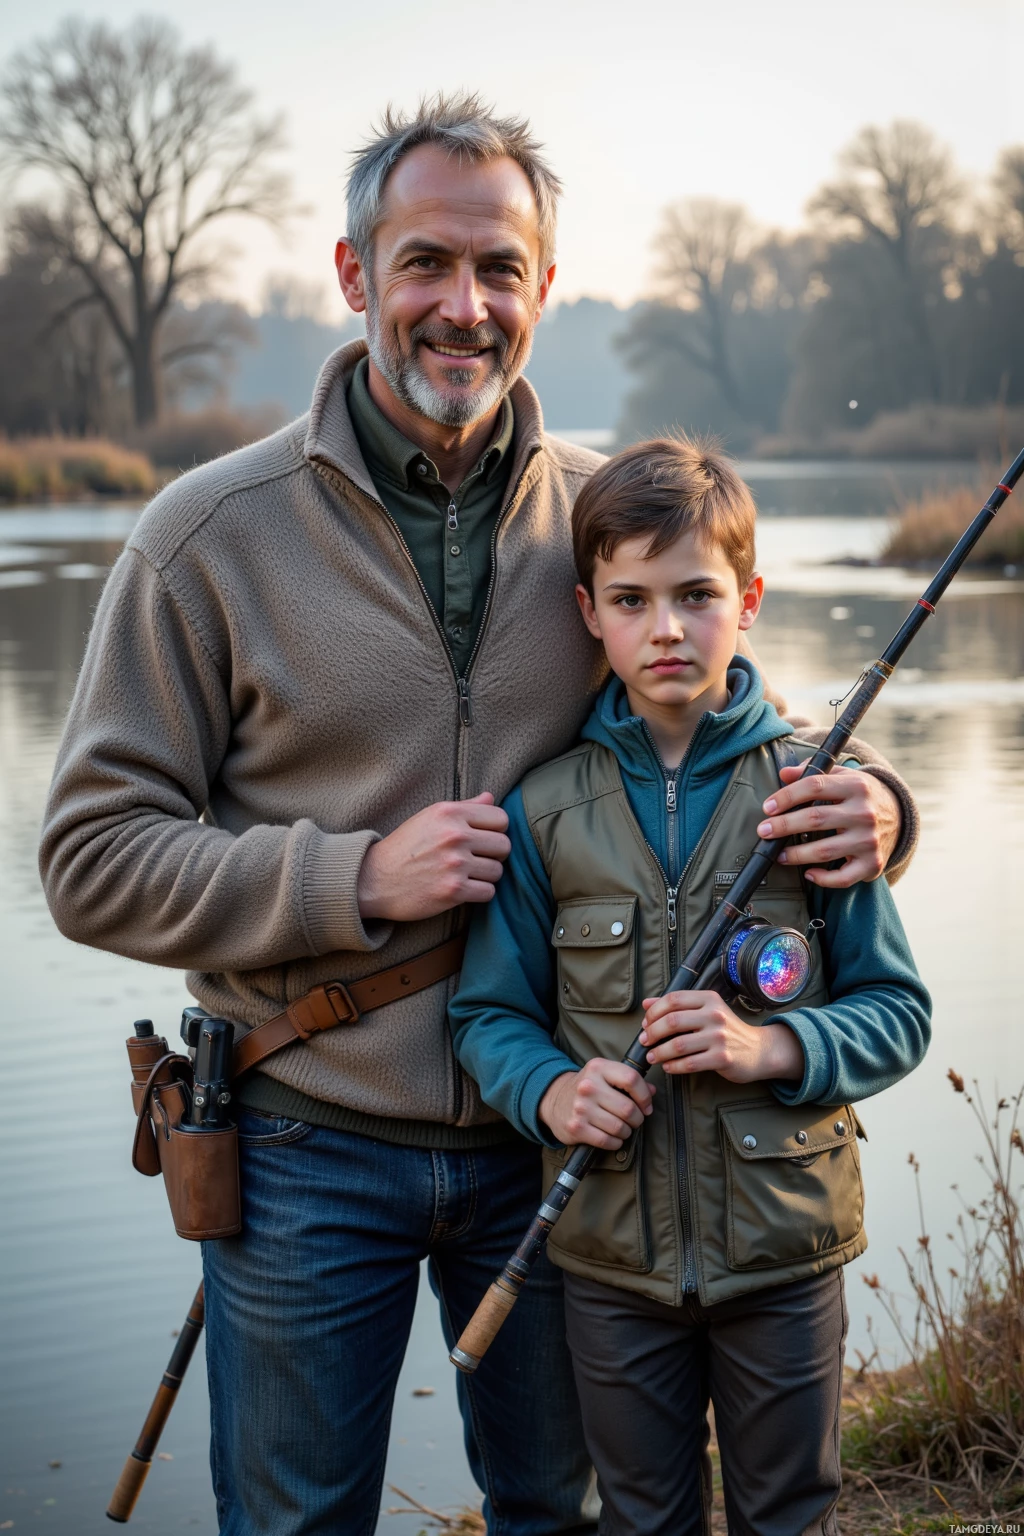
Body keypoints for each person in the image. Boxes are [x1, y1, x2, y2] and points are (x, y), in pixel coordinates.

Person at [40, 96, 917, 1536]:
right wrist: (351, 878)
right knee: (296, 1520)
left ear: (544, 289)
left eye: (500, 269)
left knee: (562, 1513)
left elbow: (744, 721)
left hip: (570, 1138)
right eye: (426, 265)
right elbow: (88, 861)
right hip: (302, 1132)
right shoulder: (203, 536)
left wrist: (875, 805)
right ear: (352, 275)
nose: (465, 307)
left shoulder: (608, 522)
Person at [450, 438, 931, 1536]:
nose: (666, 628)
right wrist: (554, 1094)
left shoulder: (811, 798)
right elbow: (487, 1015)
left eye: (696, 595)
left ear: (748, 599)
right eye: (632, 599)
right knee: (641, 1515)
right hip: (610, 1264)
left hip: (783, 1252)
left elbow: (898, 1012)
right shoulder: (544, 810)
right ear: (588, 612)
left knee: (787, 1511)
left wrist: (771, 1049)